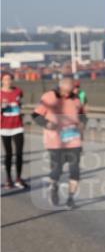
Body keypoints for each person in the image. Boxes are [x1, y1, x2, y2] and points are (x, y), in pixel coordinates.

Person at [32, 76, 87, 208]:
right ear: (61, 86)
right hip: (55, 141)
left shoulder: (76, 98)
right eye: (67, 88)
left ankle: (70, 199)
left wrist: (82, 126)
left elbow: (83, 116)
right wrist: (47, 124)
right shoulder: (49, 97)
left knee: (75, 171)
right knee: (57, 170)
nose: (70, 91)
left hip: (73, 140)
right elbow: (35, 115)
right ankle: (54, 186)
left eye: (72, 88)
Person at [1, 71, 27, 189]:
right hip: (5, 127)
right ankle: (8, 179)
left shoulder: (18, 91)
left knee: (20, 154)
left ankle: (18, 178)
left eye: (9, 79)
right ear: (2, 81)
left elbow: (20, 103)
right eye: (5, 79)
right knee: (9, 154)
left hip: (18, 126)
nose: (8, 81)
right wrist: (2, 108)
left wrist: (20, 110)